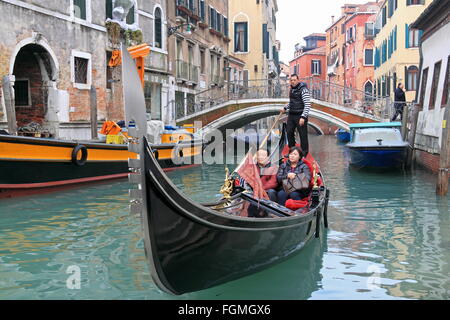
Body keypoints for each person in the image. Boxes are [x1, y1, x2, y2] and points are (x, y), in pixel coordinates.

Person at [282, 74, 311, 157]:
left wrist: (303, 117)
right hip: (292, 114)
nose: (293, 82)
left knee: (303, 135)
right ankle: (292, 151)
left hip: (300, 115)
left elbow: (307, 104)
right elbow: (292, 103)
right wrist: (285, 107)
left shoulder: (304, 90)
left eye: (294, 80)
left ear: (298, 80)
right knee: (289, 132)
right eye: (291, 80)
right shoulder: (292, 89)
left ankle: (304, 153)